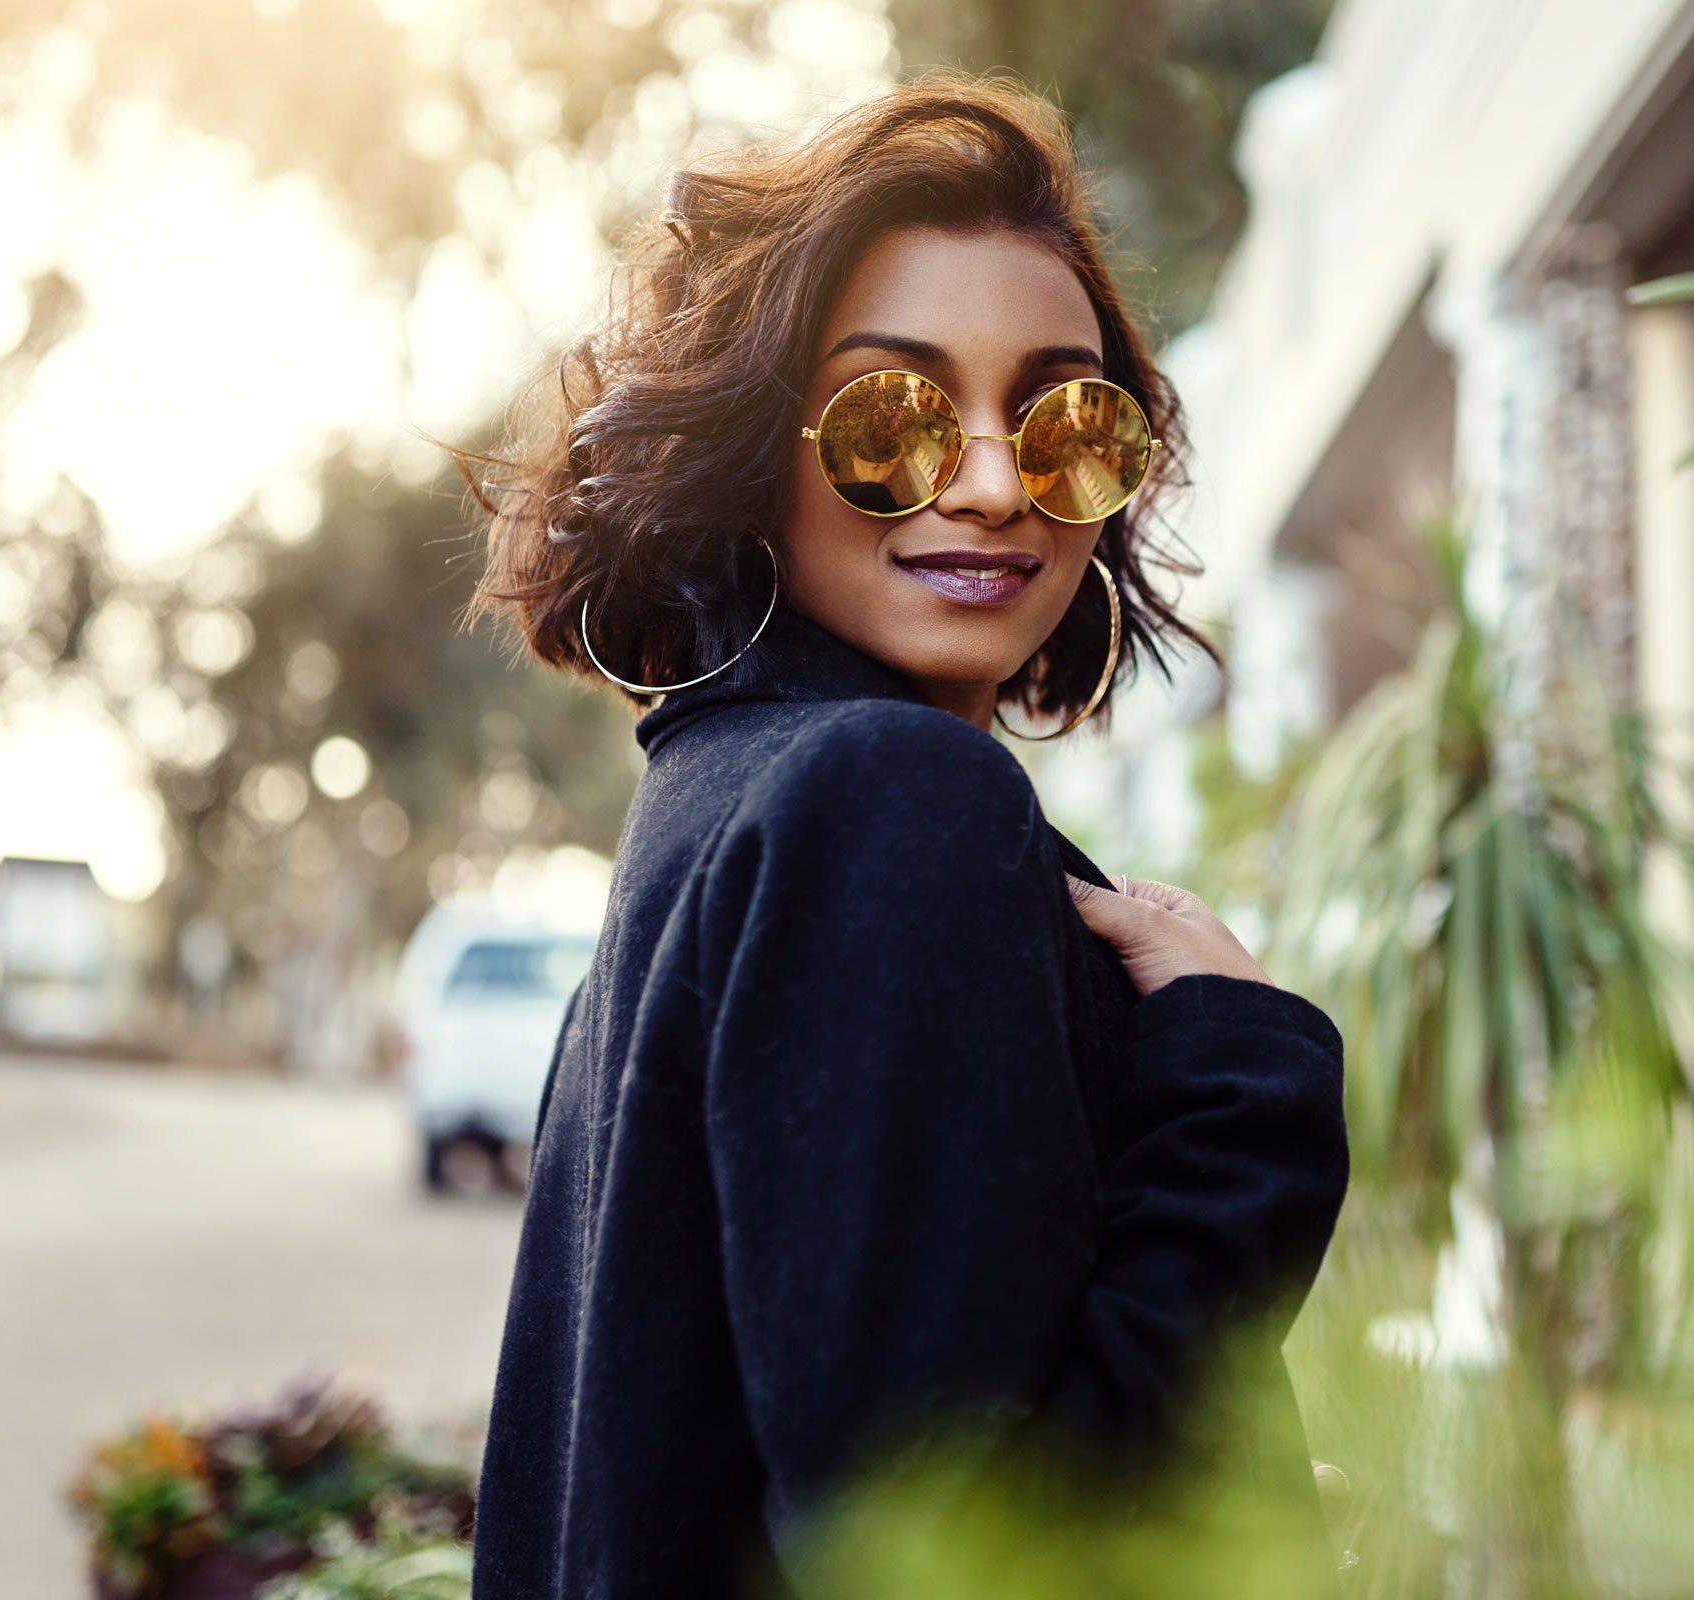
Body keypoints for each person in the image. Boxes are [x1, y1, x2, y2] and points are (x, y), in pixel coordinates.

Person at [448, 67, 1351, 1600]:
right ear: (761, 448)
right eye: (894, 418)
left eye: (1069, 422)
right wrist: (1243, 1097)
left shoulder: (716, 805)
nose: (997, 485)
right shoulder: (884, 801)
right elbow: (960, 1552)